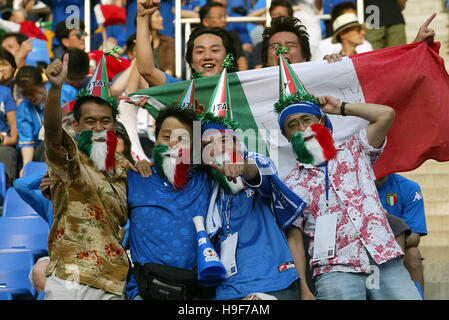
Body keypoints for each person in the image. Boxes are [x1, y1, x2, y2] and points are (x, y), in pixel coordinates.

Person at [275, 53, 422, 300]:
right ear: (287, 136)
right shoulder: (290, 183)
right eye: (292, 125)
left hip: (383, 259)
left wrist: (340, 107)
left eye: (307, 119)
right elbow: (295, 239)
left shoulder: (355, 149)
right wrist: (303, 288)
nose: (302, 128)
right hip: (335, 271)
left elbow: (386, 114)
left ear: (322, 120)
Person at [41, 53, 148, 300]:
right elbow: (53, 130)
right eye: (90, 121)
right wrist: (55, 90)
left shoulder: (127, 167)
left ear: (114, 125)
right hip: (68, 276)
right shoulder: (69, 158)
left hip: (112, 280)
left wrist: (146, 169)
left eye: (105, 121)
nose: (99, 128)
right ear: (76, 126)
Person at [198, 70, 308, 299]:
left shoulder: (257, 161)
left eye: (224, 140)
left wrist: (243, 167)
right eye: (208, 144)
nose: (217, 148)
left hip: (273, 280)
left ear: (238, 142)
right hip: (228, 288)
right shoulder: (207, 185)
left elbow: (261, 174)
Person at [15, 121, 137, 296]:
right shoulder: (53, 197)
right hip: (67, 257)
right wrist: (55, 174)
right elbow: (21, 185)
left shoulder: (125, 185)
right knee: (41, 270)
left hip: (108, 256)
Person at [136, 0, 237, 87]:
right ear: (191, 62)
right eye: (200, 51)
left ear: (228, 57)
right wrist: (143, 16)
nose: (207, 56)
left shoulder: (244, 90)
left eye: (214, 50)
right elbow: (147, 70)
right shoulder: (183, 91)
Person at [376, 173, 427, 295]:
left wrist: (388, 247)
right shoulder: (353, 187)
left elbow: (414, 237)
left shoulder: (409, 187)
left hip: (397, 250)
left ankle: (417, 296)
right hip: (360, 251)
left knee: (413, 254)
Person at [14, 65, 47, 173]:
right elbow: (27, 142)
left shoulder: (62, 93)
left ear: (42, 84)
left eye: (32, 91)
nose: (29, 97)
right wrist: (26, 167)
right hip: (41, 151)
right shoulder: (23, 109)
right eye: (25, 93)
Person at [199, 1, 248, 71]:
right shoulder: (197, 39)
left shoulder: (232, 36)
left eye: (225, 16)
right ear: (205, 21)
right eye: (219, 17)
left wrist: (242, 78)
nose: (224, 20)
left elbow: (241, 59)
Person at [0, 81, 18, 188]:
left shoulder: (5, 91)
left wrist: (12, 139)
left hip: (2, 142)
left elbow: (13, 123)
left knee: (6, 152)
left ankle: (5, 193)